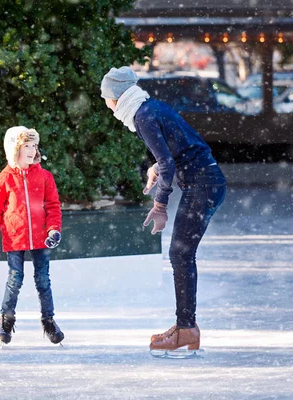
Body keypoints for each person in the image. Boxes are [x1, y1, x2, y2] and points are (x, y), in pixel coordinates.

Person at [100, 66, 227, 352]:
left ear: (117, 97)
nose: (106, 105)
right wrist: (156, 167)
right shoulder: (150, 108)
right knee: (181, 254)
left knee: (180, 254)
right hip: (206, 181)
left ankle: (186, 329)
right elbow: (180, 150)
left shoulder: (144, 116)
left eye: (106, 98)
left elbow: (171, 161)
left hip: (203, 184)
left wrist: (160, 204)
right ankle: (185, 326)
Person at [0, 126, 64, 346]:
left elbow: (53, 205)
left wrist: (53, 229)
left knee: (43, 280)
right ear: (14, 149)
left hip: (41, 238)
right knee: (15, 279)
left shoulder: (45, 176)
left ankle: (49, 320)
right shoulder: (3, 179)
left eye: (34, 145)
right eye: (26, 146)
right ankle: (6, 319)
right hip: (14, 237)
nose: (31, 150)